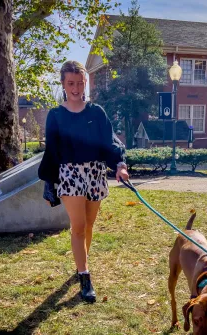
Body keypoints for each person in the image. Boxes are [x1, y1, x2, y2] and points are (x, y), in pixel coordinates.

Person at [38, 60, 129, 303]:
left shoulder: (96, 112)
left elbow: (108, 142)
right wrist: (50, 184)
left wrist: (120, 165)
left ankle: (81, 262)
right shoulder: (56, 116)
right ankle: (84, 275)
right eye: (71, 83)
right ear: (63, 84)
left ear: (85, 82)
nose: (76, 88)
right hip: (70, 174)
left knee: (89, 225)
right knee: (77, 226)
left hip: (96, 173)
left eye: (80, 83)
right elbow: (52, 151)